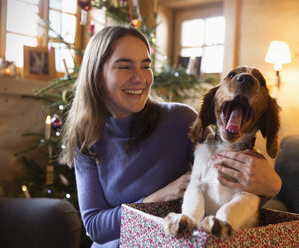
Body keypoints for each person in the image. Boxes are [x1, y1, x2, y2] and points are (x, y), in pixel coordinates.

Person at [59, 26, 282, 248]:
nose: (140, 78)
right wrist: (157, 198)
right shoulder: (86, 139)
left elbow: (229, 178)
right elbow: (95, 226)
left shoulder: (180, 119)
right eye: (125, 66)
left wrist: (272, 185)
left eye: (145, 66)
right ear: (97, 76)